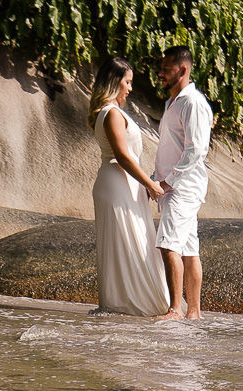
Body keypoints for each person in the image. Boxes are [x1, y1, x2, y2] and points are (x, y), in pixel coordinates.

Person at [89, 56, 172, 317]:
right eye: (127, 82)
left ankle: (132, 302)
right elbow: (122, 156)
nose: (130, 88)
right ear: (115, 82)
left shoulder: (109, 112)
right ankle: (132, 304)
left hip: (122, 185)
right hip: (118, 184)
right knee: (129, 242)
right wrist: (151, 185)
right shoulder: (111, 113)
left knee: (132, 242)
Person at [152, 45, 211, 320]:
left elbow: (196, 149)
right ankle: (194, 312)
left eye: (166, 68)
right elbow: (170, 146)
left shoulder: (193, 102)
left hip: (183, 187)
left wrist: (167, 182)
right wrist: (156, 179)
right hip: (175, 185)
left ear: (183, 70)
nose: (160, 73)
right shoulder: (173, 102)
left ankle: (176, 309)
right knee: (188, 248)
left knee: (169, 244)